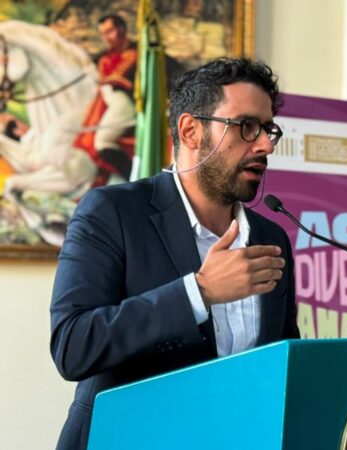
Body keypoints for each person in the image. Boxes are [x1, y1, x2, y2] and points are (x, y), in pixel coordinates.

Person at [50, 57, 300, 450]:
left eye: (268, 129)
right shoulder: (112, 212)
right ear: (190, 131)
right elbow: (73, 346)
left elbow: (279, 363)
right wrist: (198, 292)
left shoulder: (271, 237)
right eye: (247, 126)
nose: (266, 144)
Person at [74, 13, 137, 184]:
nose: (106, 38)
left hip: (128, 104)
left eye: (109, 31)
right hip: (107, 105)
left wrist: (105, 80)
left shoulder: (136, 53)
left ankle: (135, 178)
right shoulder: (103, 58)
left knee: (102, 141)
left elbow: (118, 79)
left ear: (121, 29)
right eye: (103, 33)